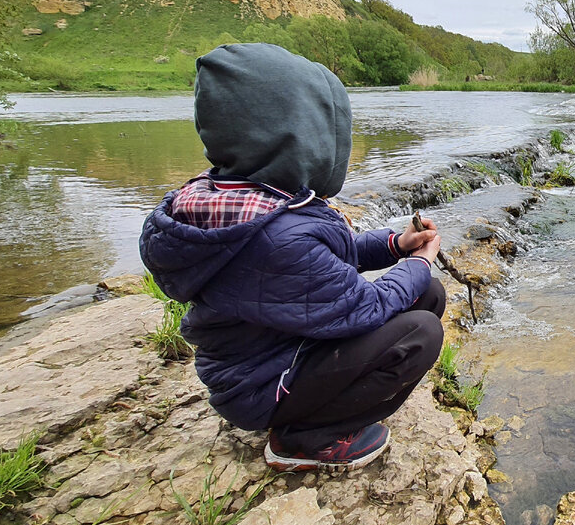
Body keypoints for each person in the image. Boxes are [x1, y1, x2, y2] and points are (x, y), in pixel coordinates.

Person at [139, 43, 445, 472]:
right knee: (421, 330)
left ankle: (325, 407)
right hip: (264, 384)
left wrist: (397, 244)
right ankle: (306, 438)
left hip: (271, 354)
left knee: (425, 294)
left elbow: (332, 255)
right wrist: (421, 260)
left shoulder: (244, 200)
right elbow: (367, 307)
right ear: (299, 136)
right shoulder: (275, 234)